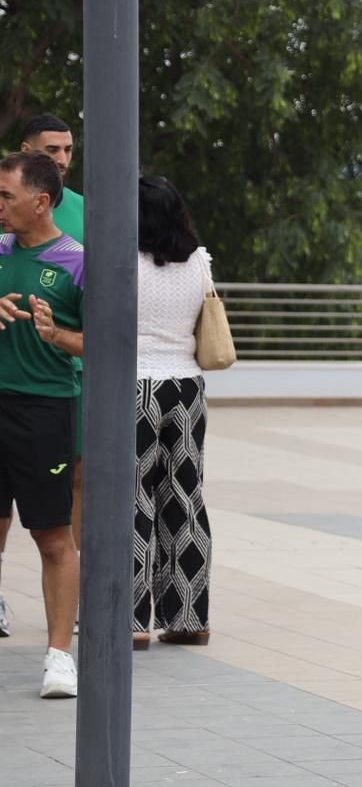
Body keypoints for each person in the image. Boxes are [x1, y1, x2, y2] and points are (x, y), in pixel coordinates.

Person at [0, 151, 84, 697]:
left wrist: (58, 336)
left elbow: (107, 345)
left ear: (41, 201)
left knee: (52, 536)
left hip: (45, 411)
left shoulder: (77, 262)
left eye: (6, 196)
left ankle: (59, 658)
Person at [132, 176, 215, 648]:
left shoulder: (123, 262)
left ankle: (132, 619)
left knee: (134, 498)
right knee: (185, 497)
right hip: (186, 388)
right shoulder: (200, 261)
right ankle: (189, 617)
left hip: (136, 387)